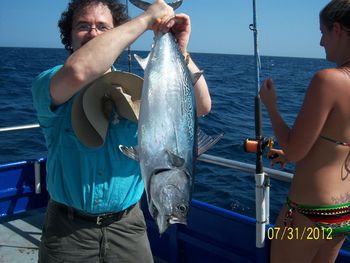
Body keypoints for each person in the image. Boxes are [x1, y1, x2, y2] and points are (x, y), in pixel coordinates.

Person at [31, 0, 211, 262]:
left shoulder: (137, 91)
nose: (93, 33)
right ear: (68, 35)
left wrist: (181, 52)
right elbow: (79, 71)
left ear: (116, 33)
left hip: (129, 228)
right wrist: (146, 18)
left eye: (103, 27)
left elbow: (203, 106)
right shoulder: (50, 83)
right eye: (83, 26)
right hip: (68, 233)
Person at [260, 1, 350, 262]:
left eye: (322, 32)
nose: (321, 42)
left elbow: (294, 150)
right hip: (342, 213)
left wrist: (271, 106)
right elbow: (338, 142)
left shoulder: (329, 80)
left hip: (308, 213)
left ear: (338, 30)